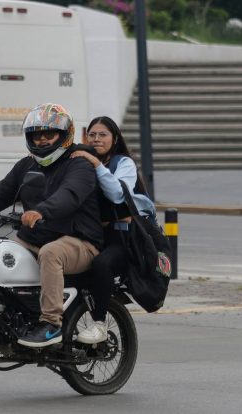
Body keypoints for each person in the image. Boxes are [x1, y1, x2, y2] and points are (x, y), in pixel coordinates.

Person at [0, 103, 103, 348]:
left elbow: (69, 194)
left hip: (80, 241)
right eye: (36, 135)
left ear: (65, 135)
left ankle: (51, 324)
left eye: (48, 135)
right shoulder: (27, 165)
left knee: (51, 253)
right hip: (35, 238)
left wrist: (41, 211)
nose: (41, 141)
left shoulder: (79, 164)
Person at [70, 116, 156, 344]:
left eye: (103, 135)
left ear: (114, 138)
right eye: (92, 135)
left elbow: (117, 194)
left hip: (125, 239)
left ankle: (99, 323)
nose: (96, 139)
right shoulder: (82, 161)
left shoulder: (122, 163)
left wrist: (97, 164)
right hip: (96, 235)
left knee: (101, 265)